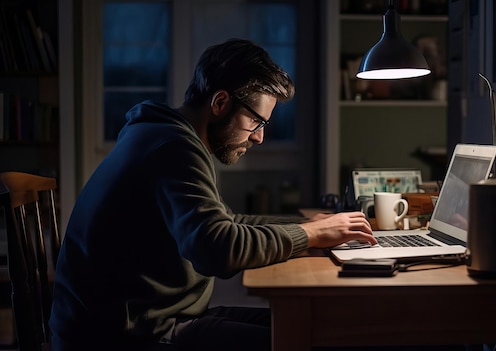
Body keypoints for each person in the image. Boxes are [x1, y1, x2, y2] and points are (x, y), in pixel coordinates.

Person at [50, 38, 376, 351]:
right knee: (312, 340)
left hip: (151, 319)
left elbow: (226, 223)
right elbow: (217, 249)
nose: (260, 137)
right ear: (220, 103)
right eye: (256, 121)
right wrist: (310, 233)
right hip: (124, 337)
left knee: (320, 329)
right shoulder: (173, 148)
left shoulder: (163, 134)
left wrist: (310, 225)